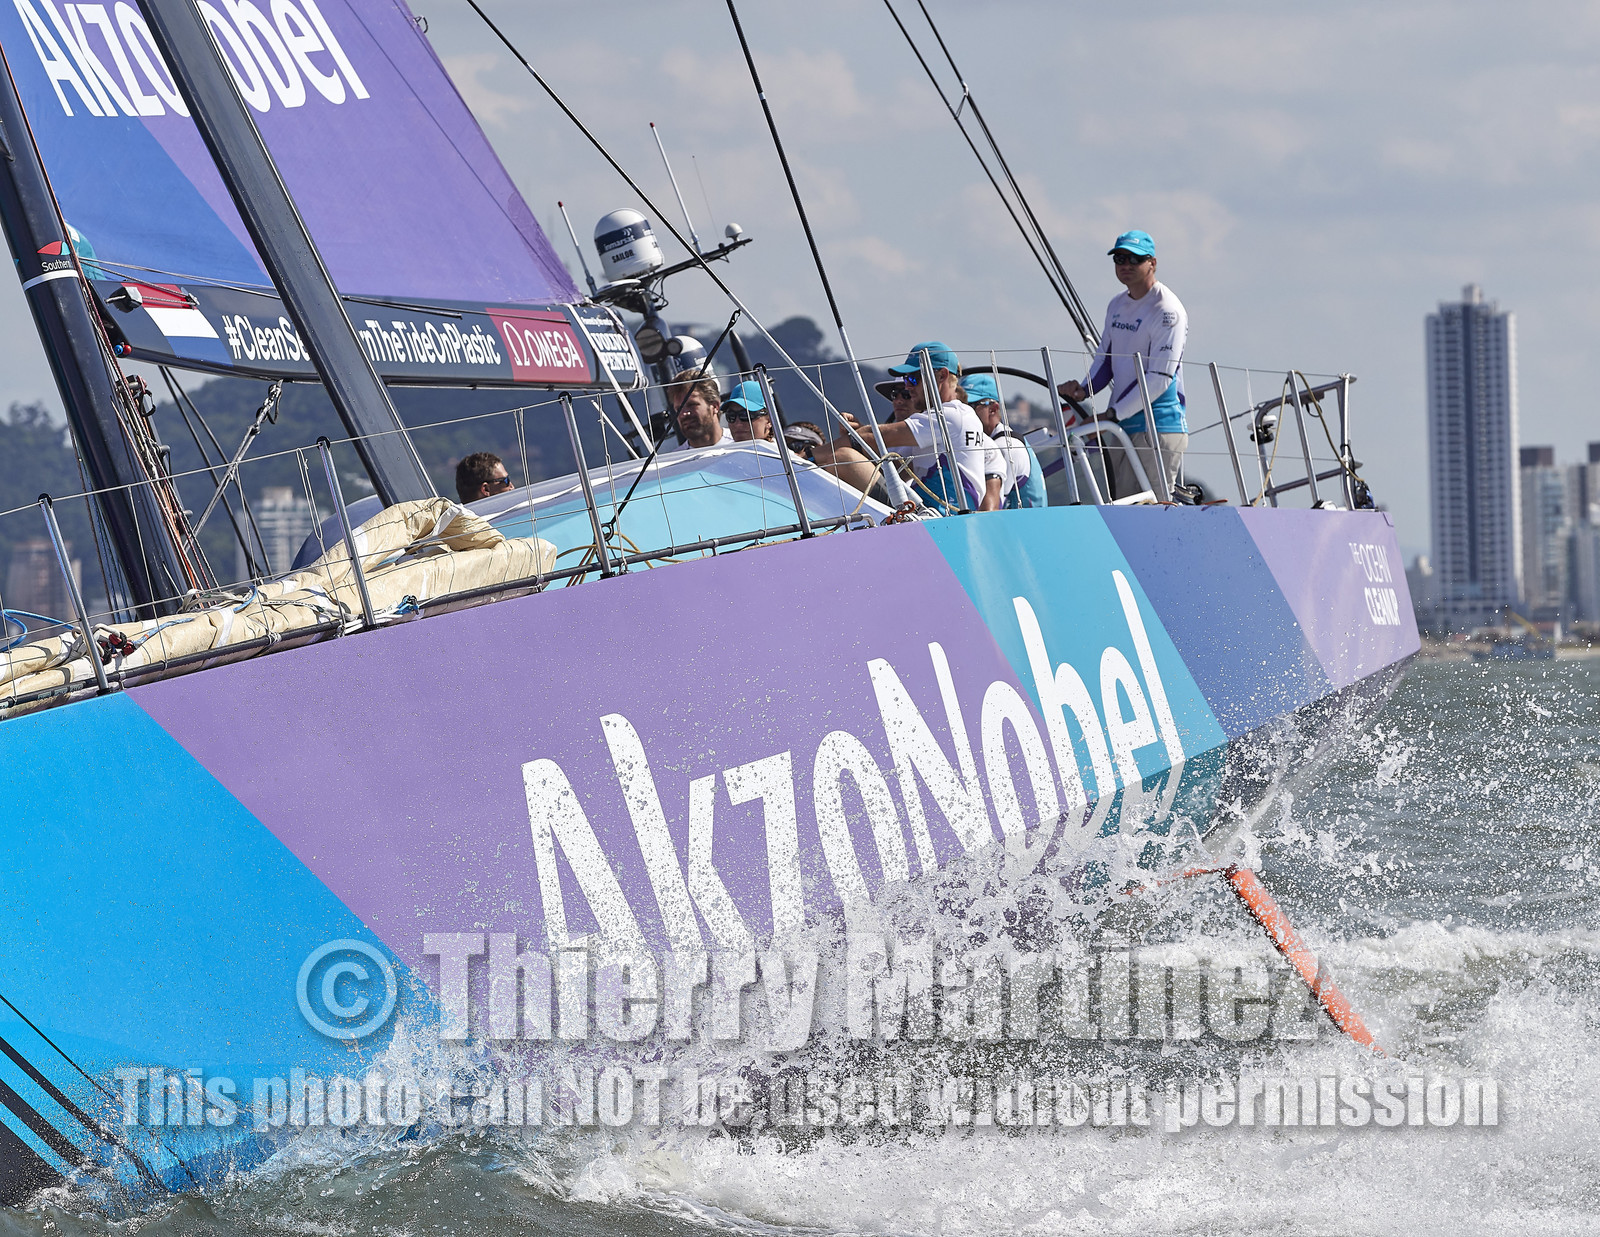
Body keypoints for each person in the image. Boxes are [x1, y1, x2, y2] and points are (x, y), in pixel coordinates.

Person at [1057, 230, 1188, 500]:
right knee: (1126, 511)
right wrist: (1083, 391)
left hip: (1157, 427)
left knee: (1155, 513)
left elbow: (1160, 378)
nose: (1125, 265)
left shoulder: (1168, 311)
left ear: (1152, 263)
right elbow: (1105, 358)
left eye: (1134, 259)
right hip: (1121, 425)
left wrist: (1112, 415)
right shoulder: (1116, 305)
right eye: (1119, 258)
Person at [820, 341, 1003, 511]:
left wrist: (807, 455)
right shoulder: (945, 420)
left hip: (938, 515)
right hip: (932, 512)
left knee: (844, 459)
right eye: (905, 380)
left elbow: (871, 437)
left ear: (942, 375)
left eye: (913, 378)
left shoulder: (951, 414)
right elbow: (895, 468)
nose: (907, 387)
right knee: (845, 462)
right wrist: (857, 436)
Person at [963, 374, 1047, 509]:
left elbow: (992, 507)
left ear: (993, 409)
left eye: (971, 406)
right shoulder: (1002, 440)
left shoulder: (1004, 447)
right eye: (962, 406)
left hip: (1021, 528)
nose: (964, 413)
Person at [661, 368, 733, 452]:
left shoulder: (742, 444)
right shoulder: (673, 462)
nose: (684, 414)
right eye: (679, 409)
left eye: (692, 405)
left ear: (715, 406)